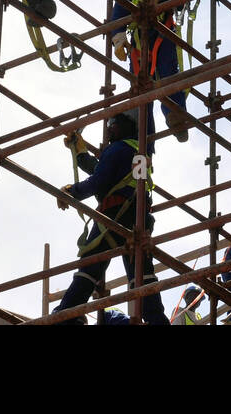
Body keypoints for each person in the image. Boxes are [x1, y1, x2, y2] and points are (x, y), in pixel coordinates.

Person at [55, 114, 169, 325]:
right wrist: (80, 153)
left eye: (111, 124)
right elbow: (106, 171)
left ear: (127, 125)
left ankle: (67, 314)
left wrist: (72, 191)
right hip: (137, 218)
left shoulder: (118, 149)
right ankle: (157, 321)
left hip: (115, 215)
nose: (108, 129)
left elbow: (99, 180)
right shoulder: (139, 150)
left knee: (90, 267)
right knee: (142, 277)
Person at [110, 0, 194, 144]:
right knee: (141, 88)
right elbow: (118, 13)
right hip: (139, 42)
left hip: (164, 36)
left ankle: (176, 118)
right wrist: (118, 38)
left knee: (168, 76)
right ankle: (143, 140)